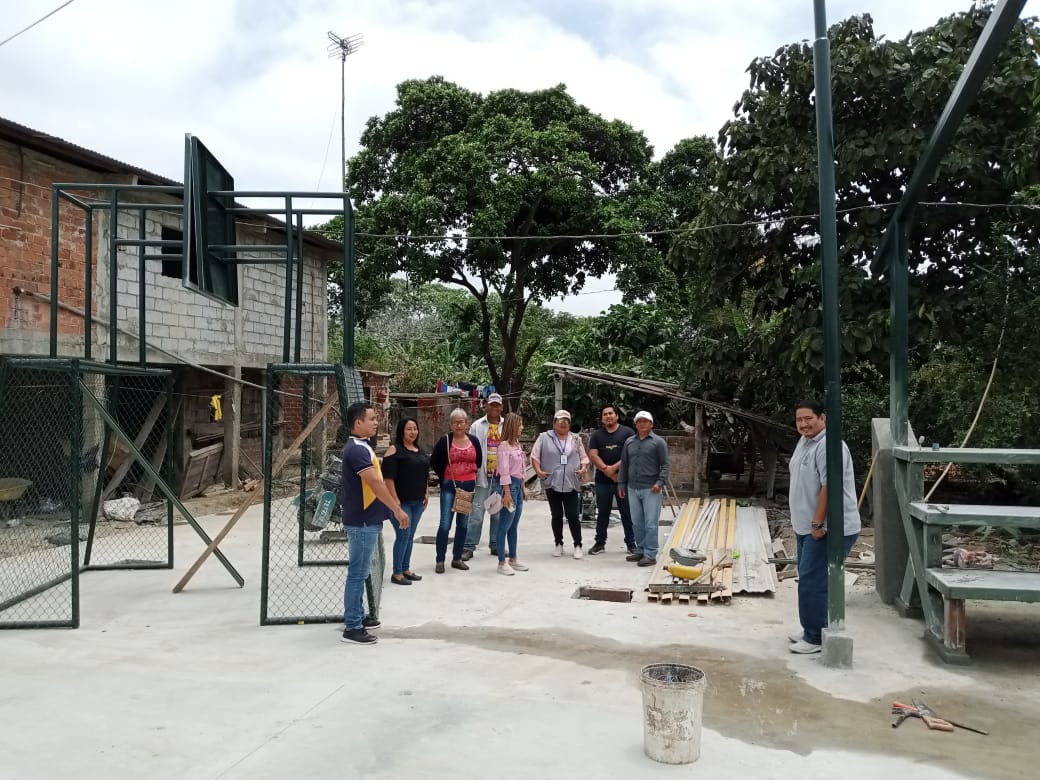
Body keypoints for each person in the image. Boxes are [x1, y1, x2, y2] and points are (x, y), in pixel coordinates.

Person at [787, 400, 861, 655]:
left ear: (822, 418)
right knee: (809, 579)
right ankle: (812, 627)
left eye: (808, 418)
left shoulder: (830, 446)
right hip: (806, 527)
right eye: (799, 420)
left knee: (813, 582)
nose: (803, 424)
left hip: (826, 528)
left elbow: (830, 488)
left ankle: (816, 636)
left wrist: (818, 524)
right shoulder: (805, 441)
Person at [339, 401, 409, 646]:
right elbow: (376, 483)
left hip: (366, 520)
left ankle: (357, 617)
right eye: (372, 418)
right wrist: (396, 509)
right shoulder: (357, 450)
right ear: (358, 423)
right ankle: (352, 627)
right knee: (357, 573)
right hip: (362, 522)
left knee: (360, 571)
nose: (376, 422)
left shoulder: (362, 446)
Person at [531, 410, 589, 559]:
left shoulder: (576, 439)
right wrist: (538, 471)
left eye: (566, 421)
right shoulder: (544, 437)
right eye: (560, 420)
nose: (563, 423)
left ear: (569, 424)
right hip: (552, 482)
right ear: (554, 423)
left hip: (571, 482)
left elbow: (584, 457)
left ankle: (578, 545)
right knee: (556, 515)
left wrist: (583, 468)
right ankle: (558, 543)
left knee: (573, 515)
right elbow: (535, 456)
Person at [430, 408, 482, 573]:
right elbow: (434, 461)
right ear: (451, 425)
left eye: (461, 422)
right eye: (455, 422)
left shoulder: (474, 441)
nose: (458, 425)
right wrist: (444, 475)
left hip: (467, 487)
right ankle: (440, 560)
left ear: (467, 424)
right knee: (445, 524)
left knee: (463, 524)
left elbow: (479, 462)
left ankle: (457, 558)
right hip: (449, 487)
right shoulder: (445, 441)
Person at [381, 416, 429, 586]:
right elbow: (388, 478)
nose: (412, 432)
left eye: (415, 428)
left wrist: (426, 492)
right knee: (403, 535)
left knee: (409, 536)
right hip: (402, 503)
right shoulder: (394, 450)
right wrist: (395, 501)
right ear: (401, 431)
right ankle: (397, 573)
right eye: (409, 429)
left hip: (417, 502)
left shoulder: (419, 450)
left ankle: (405, 569)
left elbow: (424, 474)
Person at [618, 410, 669, 567]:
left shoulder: (658, 442)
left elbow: (665, 465)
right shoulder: (629, 442)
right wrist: (621, 483)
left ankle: (650, 554)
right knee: (637, 523)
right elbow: (624, 463)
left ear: (651, 424)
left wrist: (659, 483)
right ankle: (640, 550)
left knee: (651, 523)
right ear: (635, 424)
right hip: (633, 488)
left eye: (645, 421)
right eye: (639, 421)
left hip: (651, 488)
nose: (642, 424)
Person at [587, 404, 638, 556]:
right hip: (602, 481)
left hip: (623, 481)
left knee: (626, 512)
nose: (608, 416)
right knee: (603, 512)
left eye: (611, 413)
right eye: (605, 414)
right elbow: (593, 455)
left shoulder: (628, 432)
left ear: (617, 416)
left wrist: (614, 469)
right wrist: (607, 471)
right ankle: (600, 543)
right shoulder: (597, 435)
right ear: (602, 419)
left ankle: (631, 543)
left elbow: (631, 454)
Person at [464, 392, 505, 560]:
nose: (494, 408)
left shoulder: (506, 425)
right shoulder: (477, 426)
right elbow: (470, 449)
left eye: (497, 405)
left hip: (500, 476)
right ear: (486, 406)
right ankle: (469, 546)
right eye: (491, 404)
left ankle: (495, 544)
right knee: (477, 511)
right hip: (482, 475)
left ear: (501, 407)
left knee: (497, 512)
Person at [494, 412, 530, 575]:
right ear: (513, 425)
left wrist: (524, 487)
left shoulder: (517, 445)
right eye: (520, 424)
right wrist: (507, 493)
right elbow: (504, 471)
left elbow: (521, 469)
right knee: (504, 525)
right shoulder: (504, 446)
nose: (522, 427)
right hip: (509, 488)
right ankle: (501, 562)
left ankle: (513, 558)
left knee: (513, 525)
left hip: (518, 487)